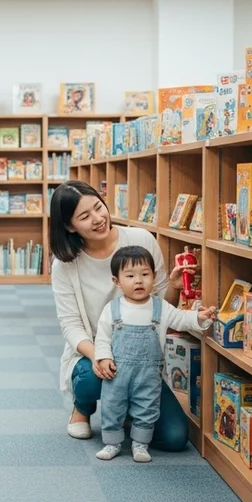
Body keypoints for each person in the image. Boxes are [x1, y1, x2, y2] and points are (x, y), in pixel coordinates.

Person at [49, 180, 192, 451]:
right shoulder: (65, 265)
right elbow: (70, 325)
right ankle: (82, 407)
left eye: (98, 207)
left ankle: (127, 407)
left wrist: (173, 288)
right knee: (91, 379)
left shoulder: (141, 240)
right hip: (94, 352)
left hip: (142, 359)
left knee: (174, 438)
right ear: (70, 226)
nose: (98, 218)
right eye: (84, 216)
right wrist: (100, 355)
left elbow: (161, 309)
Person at [92, 246, 213, 462]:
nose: (138, 281)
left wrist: (199, 318)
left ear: (154, 277)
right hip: (117, 373)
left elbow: (181, 319)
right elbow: (102, 337)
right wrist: (104, 357)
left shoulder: (161, 307)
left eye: (145, 274)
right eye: (130, 276)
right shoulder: (112, 309)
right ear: (117, 281)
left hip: (149, 375)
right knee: (112, 406)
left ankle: (140, 444)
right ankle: (112, 443)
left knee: (147, 407)